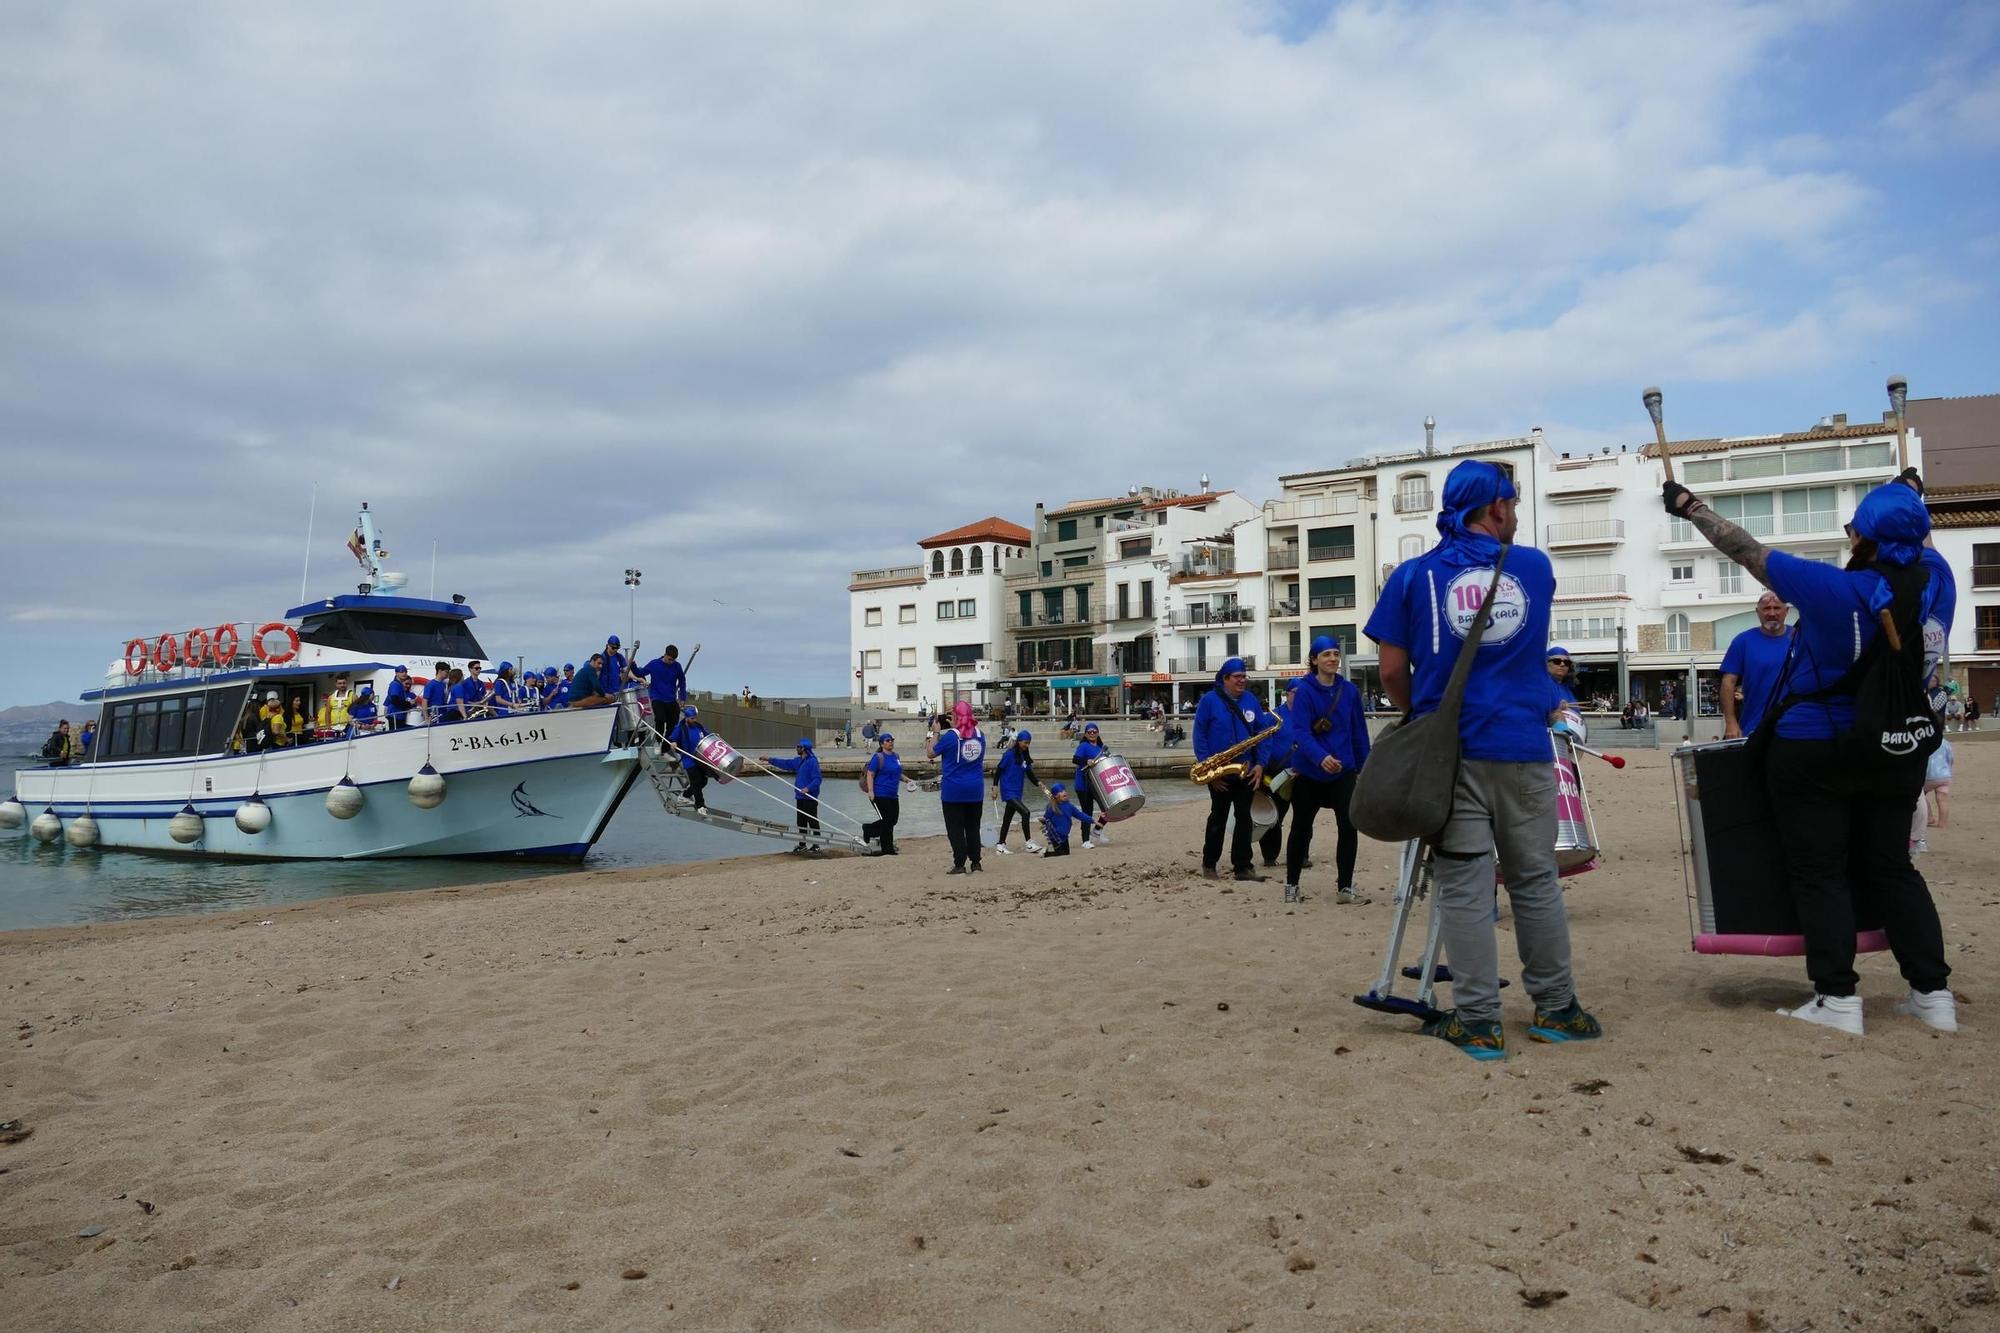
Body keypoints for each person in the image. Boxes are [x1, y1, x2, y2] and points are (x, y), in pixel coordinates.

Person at [1667, 475, 1957, 1036]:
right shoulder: (1939, 580)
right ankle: (1933, 994)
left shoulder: (1832, 588)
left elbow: (1743, 548)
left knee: (1820, 873)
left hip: (1814, 748)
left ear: (1863, 538)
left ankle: (1837, 998)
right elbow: (1917, 544)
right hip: (1897, 746)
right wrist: (1909, 495)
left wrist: (1690, 506)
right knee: (1893, 868)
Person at [1365, 458, 1599, 1061]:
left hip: (1455, 755)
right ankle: (1557, 1010)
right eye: (1513, 505)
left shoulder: (1412, 577)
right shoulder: (1532, 567)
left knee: (1464, 887)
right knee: (1535, 881)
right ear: (1496, 508)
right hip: (1522, 749)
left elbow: (1391, 670)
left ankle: (1478, 1023)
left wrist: (1425, 712)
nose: (1516, 515)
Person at [1282, 637, 1372, 906]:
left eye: (1335, 654)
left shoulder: (1350, 691)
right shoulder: (1304, 691)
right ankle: (1292, 886)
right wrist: (1321, 758)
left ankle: (1345, 887)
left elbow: (1358, 732)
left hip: (1343, 770)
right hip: (1309, 771)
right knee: (1300, 828)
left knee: (1348, 826)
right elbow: (1300, 732)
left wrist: (1364, 767)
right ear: (1314, 660)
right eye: (1325, 655)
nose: (1332, 659)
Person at [1193, 656, 1279, 883]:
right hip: (1219, 771)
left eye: (1244, 676)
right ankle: (1209, 864)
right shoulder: (1209, 701)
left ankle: (1243, 867)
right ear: (1225, 679)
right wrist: (1209, 772)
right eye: (1238, 677)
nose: (1242, 681)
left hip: (1247, 769)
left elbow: (1263, 734)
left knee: (1244, 818)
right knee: (1218, 817)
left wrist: (1261, 764)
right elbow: (1199, 735)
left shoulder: (1250, 700)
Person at [1719, 592, 1792, 739]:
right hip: (1754, 727)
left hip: (1794, 726)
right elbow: (1728, 682)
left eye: (1777, 608)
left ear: (1786, 611)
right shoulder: (1743, 641)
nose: (1772, 613)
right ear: (1757, 612)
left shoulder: (1800, 639)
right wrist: (1731, 722)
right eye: (1766, 608)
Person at [933, 699, 987, 874]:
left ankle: (959, 864)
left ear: (955, 715)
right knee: (973, 828)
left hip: (953, 791)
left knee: (955, 829)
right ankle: (976, 862)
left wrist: (934, 733)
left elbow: (930, 753)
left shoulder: (951, 736)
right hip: (975, 790)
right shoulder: (980, 735)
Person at [765, 737, 823, 854]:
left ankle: (817, 845)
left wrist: (808, 788)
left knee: (812, 822)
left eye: (798, 747)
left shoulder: (812, 761)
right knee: (801, 822)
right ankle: (802, 845)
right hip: (800, 797)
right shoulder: (799, 761)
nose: (796, 748)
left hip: (809, 797)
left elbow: (817, 779)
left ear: (804, 748)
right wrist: (769, 759)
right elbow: (786, 763)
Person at [992, 729, 1042, 854]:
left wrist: (1038, 783)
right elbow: (999, 770)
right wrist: (994, 787)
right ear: (1018, 741)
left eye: (1028, 743)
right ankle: (1029, 843)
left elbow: (1030, 774)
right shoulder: (1009, 754)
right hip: (1008, 790)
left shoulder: (1024, 757)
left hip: (1017, 791)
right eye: (1025, 742)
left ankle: (1000, 845)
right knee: (1026, 813)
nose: (1027, 745)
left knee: (1007, 819)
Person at [860, 732, 908, 855]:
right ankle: (885, 846)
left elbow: (897, 773)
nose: (890, 742)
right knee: (887, 821)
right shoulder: (878, 757)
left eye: (891, 740)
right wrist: (871, 791)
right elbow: (870, 774)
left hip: (893, 794)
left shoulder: (896, 756)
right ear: (882, 744)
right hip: (880, 793)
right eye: (887, 740)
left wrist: (907, 780)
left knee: (892, 821)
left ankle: (872, 832)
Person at [1913, 737, 1953, 855]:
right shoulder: (1946, 742)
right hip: (1944, 775)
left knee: (1921, 796)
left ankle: (1929, 818)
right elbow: (1950, 758)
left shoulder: (1923, 741)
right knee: (1942, 799)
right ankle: (1942, 823)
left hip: (1928, 775)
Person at [668, 706, 712, 811]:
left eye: (695, 718)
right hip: (689, 759)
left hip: (700, 759)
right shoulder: (681, 727)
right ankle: (700, 805)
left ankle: (684, 796)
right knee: (696, 782)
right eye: (692, 718)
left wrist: (714, 737)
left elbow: (707, 735)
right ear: (687, 718)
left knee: (703, 781)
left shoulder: (698, 726)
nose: (694, 720)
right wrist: (673, 742)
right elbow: (673, 738)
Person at [1070, 721, 1106, 843]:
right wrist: (1086, 761)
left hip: (1097, 784)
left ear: (1098, 733)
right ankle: (1085, 841)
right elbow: (1075, 759)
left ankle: (1097, 830)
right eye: (1089, 732)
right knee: (1087, 812)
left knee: (1108, 808)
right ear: (1085, 734)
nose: (1092, 733)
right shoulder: (1083, 746)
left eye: (1094, 731)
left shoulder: (1101, 747)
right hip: (1083, 784)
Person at [1040, 782, 1092, 856]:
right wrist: (1045, 824)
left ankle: (1049, 850)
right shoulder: (1052, 806)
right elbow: (1046, 817)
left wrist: (1092, 820)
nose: (1064, 792)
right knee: (1060, 853)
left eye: (1064, 790)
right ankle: (1044, 853)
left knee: (1066, 853)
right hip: (1055, 835)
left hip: (1064, 835)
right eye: (1061, 792)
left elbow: (1080, 815)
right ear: (1056, 796)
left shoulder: (1069, 806)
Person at [385, 666, 421, 731]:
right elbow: (395, 700)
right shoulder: (395, 684)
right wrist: (408, 704)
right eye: (402, 672)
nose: (404, 673)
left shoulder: (398, 684)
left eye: (405, 672)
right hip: (395, 715)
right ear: (396, 673)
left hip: (398, 715)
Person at [1545, 646, 1579, 711]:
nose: (1562, 664)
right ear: (1546, 664)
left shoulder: (1567, 688)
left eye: (1566, 662)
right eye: (1557, 661)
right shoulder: (1540, 685)